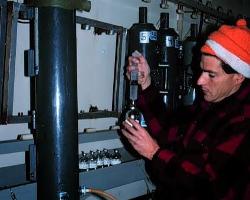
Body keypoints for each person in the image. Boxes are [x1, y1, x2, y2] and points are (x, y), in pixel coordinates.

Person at [121, 19, 250, 200]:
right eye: (201, 70)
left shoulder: (243, 123)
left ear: (238, 77)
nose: (199, 81)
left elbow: (208, 187)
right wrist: (145, 82)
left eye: (211, 75)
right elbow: (169, 129)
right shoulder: (210, 104)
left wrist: (154, 153)